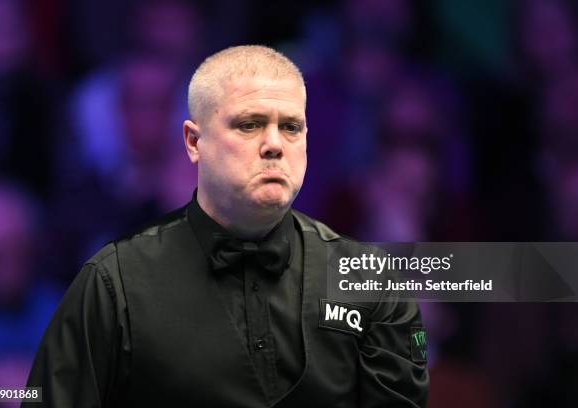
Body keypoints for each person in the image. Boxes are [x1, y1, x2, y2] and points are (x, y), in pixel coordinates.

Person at [24, 45, 428, 407]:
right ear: (194, 142)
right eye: (248, 125)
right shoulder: (114, 283)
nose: (274, 144)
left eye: (291, 127)